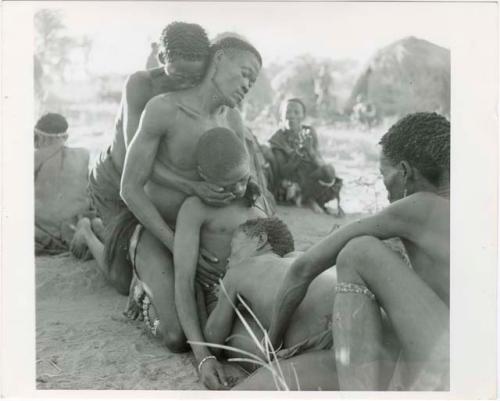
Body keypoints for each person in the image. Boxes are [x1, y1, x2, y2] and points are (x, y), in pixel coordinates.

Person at [106, 37, 262, 388]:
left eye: (253, 81)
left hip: (205, 236)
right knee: (177, 337)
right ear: (219, 60)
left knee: (225, 333)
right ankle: (140, 289)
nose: (248, 86)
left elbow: (245, 189)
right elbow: (130, 188)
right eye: (245, 74)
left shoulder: (233, 121)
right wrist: (176, 244)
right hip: (157, 231)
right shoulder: (164, 108)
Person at [266, 112, 450, 391]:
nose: (383, 186)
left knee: (358, 251)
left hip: (453, 351)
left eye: (383, 175)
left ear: (404, 171)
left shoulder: (420, 206)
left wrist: (270, 344)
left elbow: (303, 267)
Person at [172, 127, 267, 389]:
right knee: (263, 355)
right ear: (204, 176)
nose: (238, 189)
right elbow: (183, 282)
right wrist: (203, 357)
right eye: (228, 184)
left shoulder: (254, 200)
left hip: (261, 294)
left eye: (243, 179)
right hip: (222, 306)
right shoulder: (195, 209)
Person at [203, 217, 340, 390]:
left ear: (260, 239)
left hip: (324, 340)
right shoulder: (296, 258)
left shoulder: (240, 271)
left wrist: (214, 299)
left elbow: (213, 338)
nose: (228, 260)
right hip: (348, 311)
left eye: (233, 249)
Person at [269, 98, 343, 215]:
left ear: (302, 116)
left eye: (296, 112)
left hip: (309, 179)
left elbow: (320, 163)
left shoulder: (309, 132)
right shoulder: (277, 139)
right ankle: (309, 200)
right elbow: (282, 172)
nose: (291, 116)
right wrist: (297, 155)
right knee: (289, 187)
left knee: (329, 171)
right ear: (281, 116)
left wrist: (310, 150)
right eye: (288, 112)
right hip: (290, 182)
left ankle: (309, 198)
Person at [35, 113, 92, 255]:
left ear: (41, 137)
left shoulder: (34, 159)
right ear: (65, 137)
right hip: (72, 232)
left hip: (45, 237)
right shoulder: (83, 155)